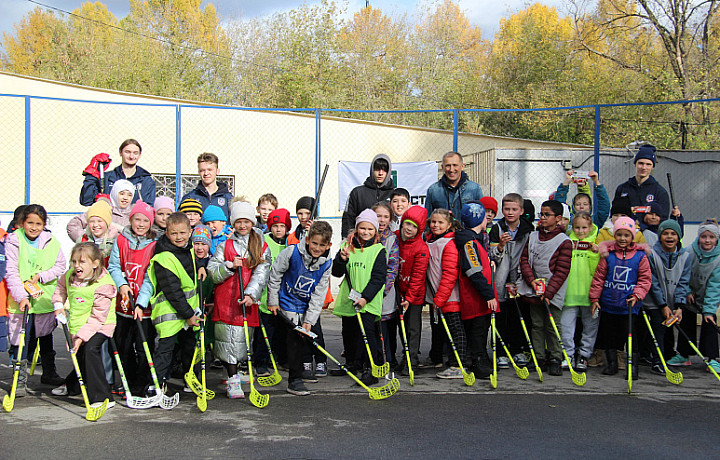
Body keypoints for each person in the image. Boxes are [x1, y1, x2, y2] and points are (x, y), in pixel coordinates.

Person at [208, 201, 271, 399]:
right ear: (233, 223)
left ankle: (237, 371)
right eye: (238, 222)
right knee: (227, 341)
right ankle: (232, 377)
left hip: (246, 301)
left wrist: (251, 294)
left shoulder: (261, 245)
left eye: (246, 221)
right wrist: (228, 266)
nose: (242, 226)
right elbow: (212, 272)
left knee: (242, 341)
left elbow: (262, 273)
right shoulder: (224, 245)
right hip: (226, 300)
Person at [5, 204, 67, 395]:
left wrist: (41, 276)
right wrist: (21, 296)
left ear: (44, 224)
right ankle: (19, 379)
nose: (34, 227)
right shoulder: (14, 241)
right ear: (22, 223)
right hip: (21, 299)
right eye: (30, 223)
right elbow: (11, 272)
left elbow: (60, 265)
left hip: (43, 298)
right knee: (21, 338)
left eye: (38, 223)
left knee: (46, 335)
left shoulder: (51, 241)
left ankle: (49, 372)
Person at [267, 221, 333, 395]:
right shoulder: (291, 252)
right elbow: (275, 275)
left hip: (305, 306)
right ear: (307, 240)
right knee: (291, 340)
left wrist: (310, 320)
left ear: (328, 245)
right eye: (314, 243)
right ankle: (294, 380)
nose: (317, 248)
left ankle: (297, 372)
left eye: (322, 245)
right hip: (286, 302)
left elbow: (319, 294)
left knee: (302, 338)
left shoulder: (326, 264)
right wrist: (273, 300)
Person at [50, 243, 116, 408]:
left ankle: (103, 397)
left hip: (101, 324)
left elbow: (98, 317)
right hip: (79, 322)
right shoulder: (70, 276)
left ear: (95, 263)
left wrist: (80, 338)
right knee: (79, 355)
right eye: (74, 262)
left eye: (82, 262)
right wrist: (58, 305)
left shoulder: (104, 285)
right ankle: (72, 385)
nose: (77, 266)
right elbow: (60, 288)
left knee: (89, 350)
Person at [589, 217, 652, 378]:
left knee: (630, 336)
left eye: (626, 235)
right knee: (609, 335)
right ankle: (611, 364)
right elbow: (599, 278)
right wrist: (595, 299)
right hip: (609, 303)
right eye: (619, 235)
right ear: (614, 235)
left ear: (632, 237)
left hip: (629, 305)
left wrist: (637, 295)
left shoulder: (640, 256)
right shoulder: (608, 255)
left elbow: (645, 279)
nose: (623, 239)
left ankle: (633, 366)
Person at [146, 212, 201, 393]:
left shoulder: (189, 248)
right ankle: (156, 386)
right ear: (167, 233)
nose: (179, 237)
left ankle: (191, 380)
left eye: (183, 233)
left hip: (189, 311)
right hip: (169, 313)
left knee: (190, 349)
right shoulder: (163, 257)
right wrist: (189, 315)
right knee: (165, 351)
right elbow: (172, 291)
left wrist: (201, 266)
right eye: (174, 233)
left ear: (190, 232)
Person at [517, 200, 573, 376]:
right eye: (541, 214)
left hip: (552, 293)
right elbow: (524, 259)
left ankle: (556, 358)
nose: (542, 218)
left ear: (558, 218)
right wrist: (532, 280)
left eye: (547, 215)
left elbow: (562, 271)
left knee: (552, 325)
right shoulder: (533, 236)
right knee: (537, 324)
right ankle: (538, 357)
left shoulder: (564, 241)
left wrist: (548, 293)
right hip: (534, 289)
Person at [332, 209, 387, 385]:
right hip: (350, 300)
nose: (366, 232)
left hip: (367, 302)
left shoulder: (378, 250)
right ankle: (352, 363)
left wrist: (365, 297)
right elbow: (336, 272)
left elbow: (379, 278)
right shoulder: (346, 247)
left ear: (376, 231)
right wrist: (341, 260)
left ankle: (371, 368)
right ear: (356, 229)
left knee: (368, 335)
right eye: (362, 228)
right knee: (349, 333)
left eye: (370, 229)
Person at [108, 201, 157, 395]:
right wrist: (122, 284)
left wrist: (141, 302)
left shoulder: (154, 244)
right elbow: (113, 266)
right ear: (131, 219)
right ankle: (127, 381)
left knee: (144, 346)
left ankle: (142, 383)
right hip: (124, 305)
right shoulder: (121, 240)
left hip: (144, 307)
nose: (141, 224)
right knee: (123, 345)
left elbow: (151, 276)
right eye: (137, 219)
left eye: (146, 220)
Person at [489, 193, 534, 369]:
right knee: (501, 317)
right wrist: (500, 246)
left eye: (514, 209)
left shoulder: (529, 230)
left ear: (521, 211)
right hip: (500, 279)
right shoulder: (496, 229)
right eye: (507, 209)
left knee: (518, 316)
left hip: (520, 279)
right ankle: (500, 352)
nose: (510, 212)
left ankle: (518, 350)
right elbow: (492, 256)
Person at [455, 201, 497, 379]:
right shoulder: (469, 242)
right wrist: (488, 294)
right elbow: (473, 270)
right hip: (476, 297)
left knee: (482, 329)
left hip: (480, 295)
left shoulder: (474, 240)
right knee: (478, 331)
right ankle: (478, 362)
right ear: (481, 221)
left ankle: (482, 359)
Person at [643, 220, 691, 369]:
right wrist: (662, 305)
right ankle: (658, 361)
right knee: (658, 327)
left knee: (669, 327)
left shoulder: (686, 257)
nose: (669, 237)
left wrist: (679, 305)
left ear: (679, 236)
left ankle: (667, 355)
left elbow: (683, 283)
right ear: (660, 236)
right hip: (654, 301)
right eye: (665, 233)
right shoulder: (651, 254)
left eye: (673, 234)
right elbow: (654, 282)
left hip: (671, 301)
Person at [425, 208, 464, 379]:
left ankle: (458, 365)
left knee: (456, 331)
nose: (436, 225)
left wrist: (439, 299)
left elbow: (450, 274)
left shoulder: (449, 243)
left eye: (440, 222)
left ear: (449, 225)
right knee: (441, 330)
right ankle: (439, 359)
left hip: (450, 297)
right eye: (433, 222)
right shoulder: (430, 240)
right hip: (437, 297)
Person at [560, 212, 600, 371]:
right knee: (566, 328)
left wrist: (595, 254)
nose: (581, 231)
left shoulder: (596, 245)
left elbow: (597, 271)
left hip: (589, 296)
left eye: (584, 227)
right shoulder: (567, 242)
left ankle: (584, 355)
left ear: (590, 227)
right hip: (569, 295)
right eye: (577, 227)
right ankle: (567, 354)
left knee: (590, 328)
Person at [255, 208, 291, 377]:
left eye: (282, 226)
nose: (278, 229)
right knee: (265, 332)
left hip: (283, 296)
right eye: (275, 225)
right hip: (265, 296)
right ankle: (260, 361)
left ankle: (281, 358)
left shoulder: (289, 244)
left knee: (282, 331)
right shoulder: (264, 242)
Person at [394, 206, 429, 374]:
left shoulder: (421, 248)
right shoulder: (394, 238)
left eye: (414, 226)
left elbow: (418, 276)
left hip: (414, 296)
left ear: (419, 230)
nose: (409, 229)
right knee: (401, 327)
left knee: (412, 328)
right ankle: (405, 355)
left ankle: (412, 359)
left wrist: (409, 298)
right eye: (407, 224)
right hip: (398, 291)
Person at [683, 220, 720, 372]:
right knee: (686, 318)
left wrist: (709, 310)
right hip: (690, 293)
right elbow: (683, 274)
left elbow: (715, 285)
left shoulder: (718, 259)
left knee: (709, 320)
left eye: (711, 237)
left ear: (716, 239)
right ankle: (684, 354)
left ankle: (711, 358)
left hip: (708, 295)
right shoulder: (689, 252)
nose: (707, 240)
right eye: (704, 236)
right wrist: (686, 291)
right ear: (699, 237)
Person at [79, 139, 156, 206]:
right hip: (110, 220)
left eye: (135, 153)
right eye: (127, 152)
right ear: (120, 153)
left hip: (134, 221)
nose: (131, 156)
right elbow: (86, 201)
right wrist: (92, 175)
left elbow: (149, 208)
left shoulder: (146, 181)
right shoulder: (107, 178)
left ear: (139, 155)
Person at [614, 144, 671, 223]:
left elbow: (663, 219)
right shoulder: (623, 188)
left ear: (652, 167)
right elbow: (615, 213)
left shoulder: (660, 192)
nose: (644, 167)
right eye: (641, 163)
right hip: (626, 232)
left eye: (648, 164)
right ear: (635, 164)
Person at [373, 202, 400, 370]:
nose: (381, 220)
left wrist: (383, 289)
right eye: (378, 216)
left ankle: (389, 360)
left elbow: (393, 266)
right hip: (367, 293)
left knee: (387, 330)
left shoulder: (392, 239)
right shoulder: (366, 235)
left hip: (384, 293)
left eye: (385, 217)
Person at [341, 154, 395, 238]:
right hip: (362, 241)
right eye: (377, 169)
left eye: (384, 170)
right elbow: (348, 219)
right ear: (372, 170)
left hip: (387, 240)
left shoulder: (394, 194)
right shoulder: (357, 193)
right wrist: (347, 241)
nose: (380, 173)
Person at [67, 179, 136, 242]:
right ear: (115, 193)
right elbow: (73, 225)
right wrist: (86, 241)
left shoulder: (135, 213)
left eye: (129, 195)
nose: (125, 198)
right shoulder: (102, 208)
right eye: (121, 193)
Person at [425, 151, 483, 218]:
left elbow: (481, 217)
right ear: (442, 167)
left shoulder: (474, 189)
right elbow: (428, 219)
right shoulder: (433, 190)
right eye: (448, 166)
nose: (451, 170)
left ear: (462, 166)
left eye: (455, 165)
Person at [180, 152, 234, 220]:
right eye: (202, 170)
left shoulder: (228, 199)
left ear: (217, 171)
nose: (206, 173)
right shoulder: (190, 197)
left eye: (210, 170)